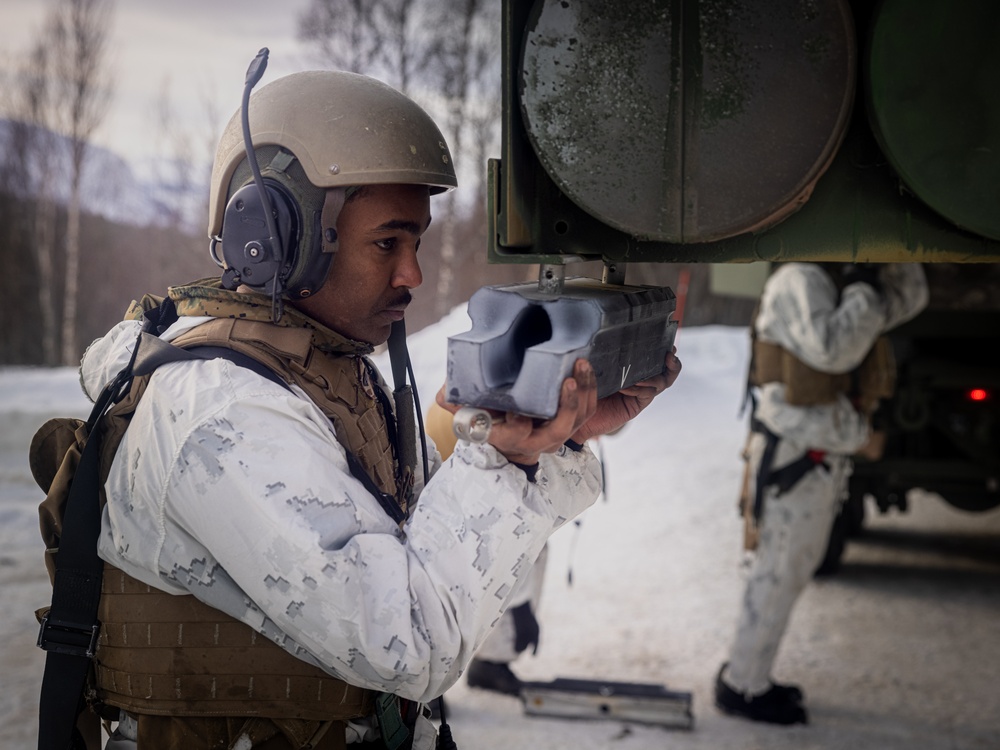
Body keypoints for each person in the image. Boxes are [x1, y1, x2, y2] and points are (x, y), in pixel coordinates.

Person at [74, 67, 682, 750]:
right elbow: (410, 644)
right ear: (278, 238)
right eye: (387, 242)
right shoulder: (220, 411)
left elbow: (440, 552)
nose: (412, 274)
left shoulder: (325, 373)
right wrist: (503, 465)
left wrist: (552, 441)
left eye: (416, 242)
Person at [715, 261, 928, 725]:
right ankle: (743, 686)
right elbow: (835, 351)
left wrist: (886, 264)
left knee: (788, 570)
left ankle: (747, 674)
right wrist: (863, 287)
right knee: (776, 573)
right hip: (795, 453)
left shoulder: (832, 280)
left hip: (814, 454)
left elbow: (910, 297)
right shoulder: (800, 278)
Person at [424, 402, 547, 697]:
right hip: (460, 445)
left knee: (531, 526)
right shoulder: (529, 413)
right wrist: (519, 606)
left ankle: (490, 660)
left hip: (462, 431)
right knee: (457, 561)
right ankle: (425, 683)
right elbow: (511, 527)